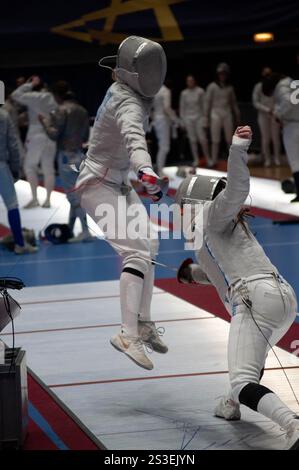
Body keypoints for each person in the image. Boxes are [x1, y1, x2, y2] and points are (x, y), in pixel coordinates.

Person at [176, 125, 299, 450]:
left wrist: (237, 149)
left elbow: (237, 188)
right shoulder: (212, 229)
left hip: (256, 301)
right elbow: (226, 270)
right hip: (282, 298)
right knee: (248, 368)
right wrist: (195, 274)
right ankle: (232, 404)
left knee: (243, 380)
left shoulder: (213, 214)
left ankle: (293, 425)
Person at [75, 36, 168, 370]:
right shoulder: (126, 102)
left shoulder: (128, 94)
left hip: (118, 183)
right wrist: (145, 168)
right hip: (98, 185)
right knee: (136, 252)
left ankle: (142, 321)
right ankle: (127, 334)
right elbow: (134, 138)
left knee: (151, 243)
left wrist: (140, 176)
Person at [39, 81, 92, 242]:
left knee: (73, 196)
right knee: (75, 195)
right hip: (79, 155)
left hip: (65, 157)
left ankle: (86, 232)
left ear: (56, 96)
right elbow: (84, 136)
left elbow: (54, 135)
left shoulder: (60, 111)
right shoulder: (82, 110)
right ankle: (70, 228)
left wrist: (45, 122)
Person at [12, 76, 57, 208]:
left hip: (36, 134)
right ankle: (48, 200)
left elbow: (15, 95)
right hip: (51, 134)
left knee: (29, 167)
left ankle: (35, 199)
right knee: (48, 168)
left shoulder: (34, 96)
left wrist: (29, 85)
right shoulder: (53, 97)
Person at [0, 107, 37, 254]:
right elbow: (13, 143)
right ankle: (20, 245)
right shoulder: (3, 115)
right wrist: (16, 168)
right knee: (12, 205)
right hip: (1, 166)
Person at [263, 73, 299, 202]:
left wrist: (278, 114)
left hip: (293, 126)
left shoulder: (282, 88)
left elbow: (288, 102)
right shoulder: (293, 82)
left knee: (295, 161)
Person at [205, 63, 240, 166]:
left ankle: (232, 161)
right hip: (215, 113)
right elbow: (207, 103)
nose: (222, 76)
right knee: (215, 139)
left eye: (224, 74)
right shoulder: (212, 86)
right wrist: (206, 119)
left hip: (227, 113)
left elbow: (233, 103)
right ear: (218, 74)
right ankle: (213, 161)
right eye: (221, 73)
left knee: (229, 139)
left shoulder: (229, 87)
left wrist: (237, 116)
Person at [179, 75, 211, 167]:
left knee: (203, 139)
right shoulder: (184, 93)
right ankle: (196, 159)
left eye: (191, 80)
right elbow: (182, 108)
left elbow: (204, 106)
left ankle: (208, 158)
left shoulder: (200, 91)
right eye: (188, 81)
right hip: (188, 119)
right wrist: (183, 122)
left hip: (199, 118)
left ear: (194, 81)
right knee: (192, 140)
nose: (190, 82)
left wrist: (205, 119)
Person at [252, 67, 281, 167]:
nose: (267, 76)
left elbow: (279, 100)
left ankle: (277, 158)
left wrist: (275, 110)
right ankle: (267, 159)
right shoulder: (258, 86)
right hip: (263, 115)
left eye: (269, 74)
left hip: (274, 114)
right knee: (266, 138)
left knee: (276, 138)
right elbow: (255, 102)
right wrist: (266, 109)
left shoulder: (276, 87)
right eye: (266, 74)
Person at [152, 82, 177, 176]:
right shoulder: (165, 91)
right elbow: (167, 108)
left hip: (157, 120)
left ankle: (159, 169)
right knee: (164, 147)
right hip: (163, 120)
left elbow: (151, 109)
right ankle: (160, 171)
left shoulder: (154, 90)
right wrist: (175, 119)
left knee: (162, 146)